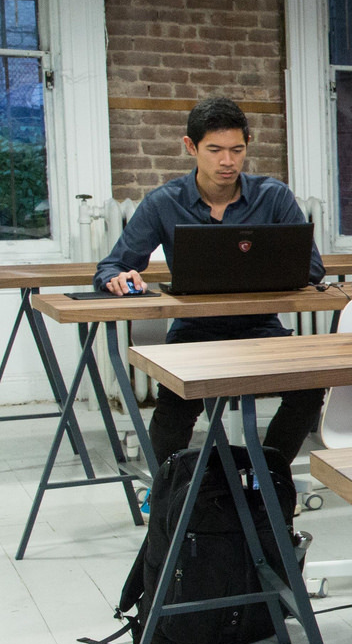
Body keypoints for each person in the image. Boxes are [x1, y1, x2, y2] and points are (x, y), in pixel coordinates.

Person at [94, 95, 326, 465]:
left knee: (309, 388)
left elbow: (311, 269)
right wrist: (118, 277)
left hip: (260, 328)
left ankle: (267, 477)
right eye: (215, 150)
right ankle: (166, 490)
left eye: (237, 150)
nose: (227, 161)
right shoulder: (163, 202)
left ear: (248, 143)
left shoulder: (274, 196)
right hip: (194, 331)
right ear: (191, 147)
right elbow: (111, 266)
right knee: (175, 404)